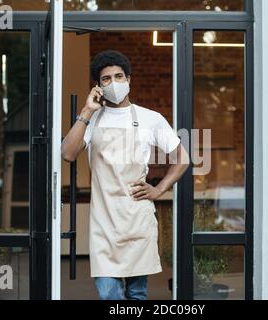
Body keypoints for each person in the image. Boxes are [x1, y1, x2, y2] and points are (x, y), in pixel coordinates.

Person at [61, 50, 189, 300]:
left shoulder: (151, 119)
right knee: (110, 294)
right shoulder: (92, 120)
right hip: (104, 223)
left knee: (137, 294)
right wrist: (86, 111)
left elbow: (182, 158)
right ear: (98, 86)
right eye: (106, 79)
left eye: (119, 76)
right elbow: (67, 153)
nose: (114, 82)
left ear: (128, 79)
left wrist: (160, 188)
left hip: (137, 220)